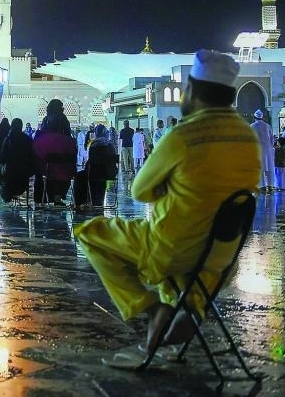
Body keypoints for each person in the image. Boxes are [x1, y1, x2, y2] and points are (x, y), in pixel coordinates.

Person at [73, 49, 261, 362]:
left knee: (91, 232)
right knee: (188, 268)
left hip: (174, 250)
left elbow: (139, 190)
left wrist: (168, 186)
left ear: (193, 92)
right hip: (222, 259)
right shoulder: (248, 137)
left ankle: (151, 311)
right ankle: (189, 308)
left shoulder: (183, 135)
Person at [31, 100, 77, 206]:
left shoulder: (45, 121)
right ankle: (57, 198)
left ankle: (40, 198)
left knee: (41, 170)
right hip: (64, 167)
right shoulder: (64, 124)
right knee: (61, 169)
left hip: (46, 165)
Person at [74, 123, 118, 211]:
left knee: (80, 176)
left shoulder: (94, 144)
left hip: (94, 173)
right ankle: (98, 202)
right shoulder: (110, 144)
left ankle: (80, 203)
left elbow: (90, 163)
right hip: (109, 173)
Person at [0, 117, 34, 202]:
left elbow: (2, 157)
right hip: (24, 175)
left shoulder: (8, 139)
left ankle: (6, 195)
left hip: (9, 174)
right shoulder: (27, 139)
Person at [250, 109, 275, 192]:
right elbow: (272, 140)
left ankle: (262, 185)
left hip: (258, 150)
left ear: (254, 117)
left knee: (260, 167)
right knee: (270, 167)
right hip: (268, 150)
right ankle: (271, 185)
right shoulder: (268, 126)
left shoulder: (252, 126)